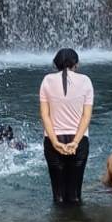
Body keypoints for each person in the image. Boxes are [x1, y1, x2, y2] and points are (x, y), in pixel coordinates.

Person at [39, 48, 93, 205]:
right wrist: (75, 142)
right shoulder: (86, 80)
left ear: (55, 64)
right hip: (79, 140)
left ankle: (57, 220)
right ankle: (76, 219)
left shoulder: (47, 80)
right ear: (76, 64)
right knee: (75, 195)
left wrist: (55, 142)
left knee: (58, 196)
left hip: (53, 139)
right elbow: (86, 116)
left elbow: (45, 115)